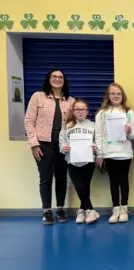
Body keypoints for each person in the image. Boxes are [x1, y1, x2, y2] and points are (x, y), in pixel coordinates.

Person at [24, 68, 75, 225]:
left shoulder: (71, 101)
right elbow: (29, 121)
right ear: (49, 79)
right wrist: (34, 144)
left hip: (62, 145)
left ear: (64, 81)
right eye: (54, 76)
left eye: (60, 77)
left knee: (61, 178)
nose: (58, 79)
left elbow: (73, 125)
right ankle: (46, 211)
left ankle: (60, 209)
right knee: (45, 179)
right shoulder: (38, 97)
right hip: (43, 144)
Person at [95, 83, 134, 224]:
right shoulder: (102, 114)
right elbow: (99, 134)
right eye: (113, 93)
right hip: (109, 153)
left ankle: (124, 208)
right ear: (108, 96)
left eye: (118, 93)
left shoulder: (129, 113)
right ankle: (116, 208)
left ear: (122, 95)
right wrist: (99, 154)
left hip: (125, 152)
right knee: (113, 181)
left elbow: (133, 136)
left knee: (124, 180)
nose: (116, 96)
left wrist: (129, 131)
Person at [59, 99, 99, 224]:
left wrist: (95, 147)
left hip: (88, 161)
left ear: (87, 111)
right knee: (78, 186)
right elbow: (62, 141)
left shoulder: (93, 125)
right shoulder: (67, 126)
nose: (80, 112)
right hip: (72, 161)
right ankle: (90, 210)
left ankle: (82, 210)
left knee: (85, 186)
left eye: (83, 109)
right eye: (77, 109)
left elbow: (98, 141)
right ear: (73, 111)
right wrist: (63, 147)